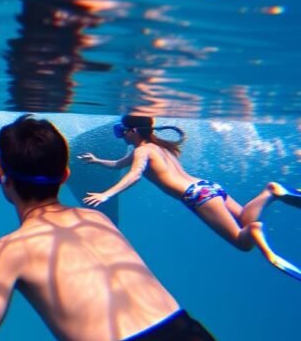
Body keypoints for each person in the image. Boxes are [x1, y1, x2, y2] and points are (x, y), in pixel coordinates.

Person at [0, 115, 259, 341]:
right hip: (193, 340)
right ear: (65, 175)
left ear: (2, 178)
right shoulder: (97, 219)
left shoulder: (8, 250)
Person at [78, 115, 298, 276]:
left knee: (243, 242)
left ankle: (262, 241)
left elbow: (134, 175)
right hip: (208, 187)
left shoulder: (142, 151)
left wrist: (107, 194)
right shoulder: (158, 147)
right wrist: (97, 160)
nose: (120, 135)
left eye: (121, 131)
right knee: (244, 218)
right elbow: (118, 165)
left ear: (133, 131)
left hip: (197, 197)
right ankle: (271, 192)